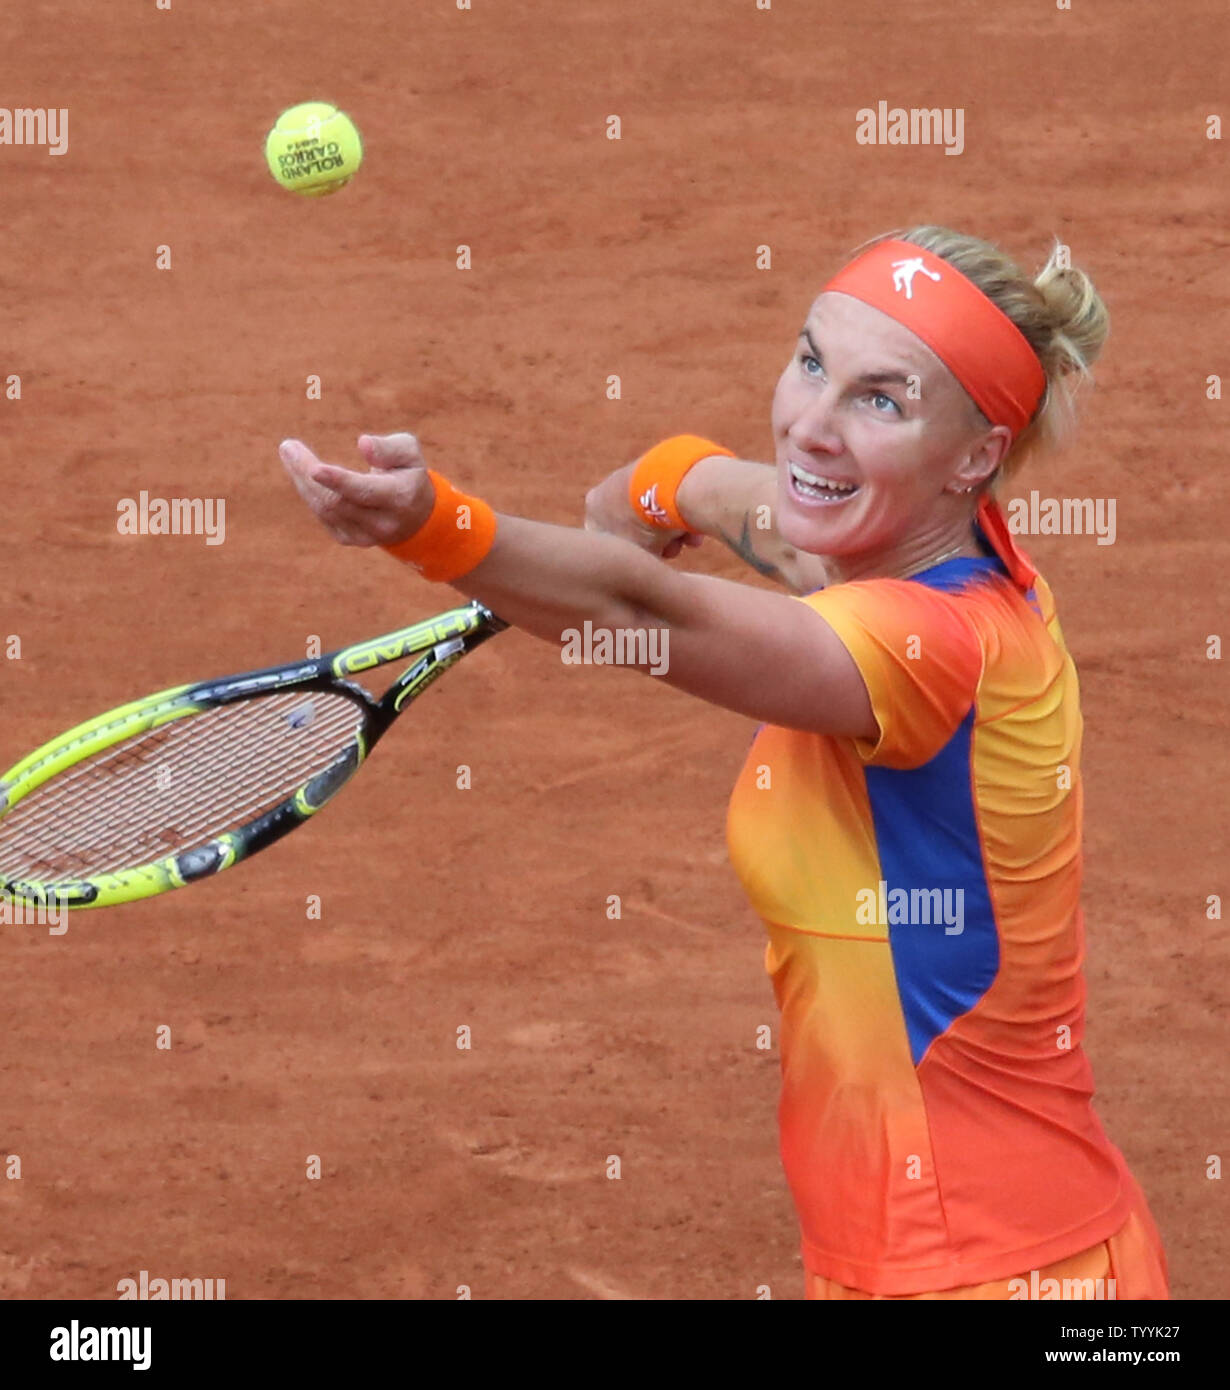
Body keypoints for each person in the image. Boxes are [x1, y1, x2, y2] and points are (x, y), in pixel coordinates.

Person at [278, 225, 1169, 1300]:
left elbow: (640, 606)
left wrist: (435, 525)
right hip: (932, 1251)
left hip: (1005, 1269)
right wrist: (667, 481)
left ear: (976, 456)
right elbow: (778, 513)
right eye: (810, 363)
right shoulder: (929, 544)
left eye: (880, 400)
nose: (813, 423)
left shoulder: (933, 648)